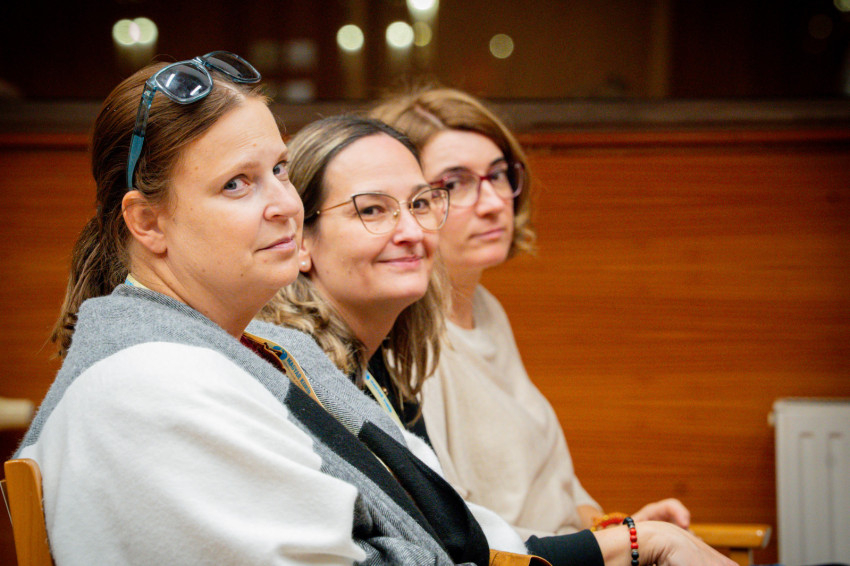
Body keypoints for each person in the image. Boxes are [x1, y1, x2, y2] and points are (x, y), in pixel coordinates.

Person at [12, 53, 503, 566]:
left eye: (279, 170)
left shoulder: (266, 349)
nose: (286, 205)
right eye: (237, 183)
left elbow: (442, 521)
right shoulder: (145, 389)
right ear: (148, 222)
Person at [259, 113, 735, 566]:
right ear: (300, 240)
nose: (411, 231)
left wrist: (627, 535)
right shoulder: (289, 378)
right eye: (372, 210)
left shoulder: (379, 362)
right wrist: (637, 541)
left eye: (420, 204)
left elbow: (460, 538)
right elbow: (456, 550)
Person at [371, 87, 692, 538]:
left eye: (498, 175)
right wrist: (625, 546)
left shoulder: (487, 309)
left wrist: (625, 528)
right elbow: (458, 536)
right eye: (454, 184)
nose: (492, 203)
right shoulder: (402, 337)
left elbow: (555, 495)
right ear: (404, 204)